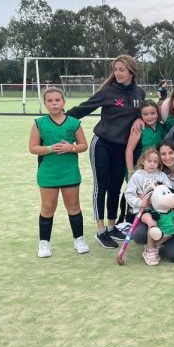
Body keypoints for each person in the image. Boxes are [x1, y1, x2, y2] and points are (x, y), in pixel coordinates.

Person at [67, 55, 145, 249]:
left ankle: (112, 227)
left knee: (116, 187)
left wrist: (140, 119)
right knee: (100, 187)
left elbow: (144, 113)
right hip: (102, 145)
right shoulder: (108, 92)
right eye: (115, 69)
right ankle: (101, 230)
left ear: (131, 72)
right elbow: (82, 109)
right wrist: (59, 120)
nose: (117, 73)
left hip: (122, 148)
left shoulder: (139, 93)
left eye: (121, 69)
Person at [29, 86, 89, 258]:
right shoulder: (39, 123)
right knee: (48, 207)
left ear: (64, 102)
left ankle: (79, 239)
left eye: (57, 100)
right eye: (50, 101)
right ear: (45, 103)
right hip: (48, 173)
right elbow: (33, 148)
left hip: (70, 172)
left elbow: (83, 145)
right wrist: (50, 148)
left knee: (74, 206)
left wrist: (71, 148)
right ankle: (44, 243)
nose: (54, 103)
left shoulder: (74, 123)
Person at [130, 140, 174, 262]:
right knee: (139, 235)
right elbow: (132, 193)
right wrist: (144, 200)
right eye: (163, 154)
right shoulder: (157, 173)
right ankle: (151, 246)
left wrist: (173, 206)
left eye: (171, 153)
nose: (167, 157)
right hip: (155, 214)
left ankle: (157, 243)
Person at [124, 147, 171, 264]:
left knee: (170, 226)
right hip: (143, 210)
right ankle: (150, 251)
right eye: (149, 161)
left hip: (160, 210)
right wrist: (140, 202)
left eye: (155, 162)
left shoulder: (162, 176)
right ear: (142, 161)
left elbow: (168, 191)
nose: (152, 164)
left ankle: (154, 245)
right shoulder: (137, 176)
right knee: (152, 222)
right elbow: (129, 194)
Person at [125, 100, 164, 177]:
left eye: (153, 113)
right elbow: (129, 150)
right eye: (145, 114)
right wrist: (131, 172)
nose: (149, 117)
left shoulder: (162, 127)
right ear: (141, 116)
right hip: (138, 168)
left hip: (155, 168)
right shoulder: (138, 128)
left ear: (157, 113)